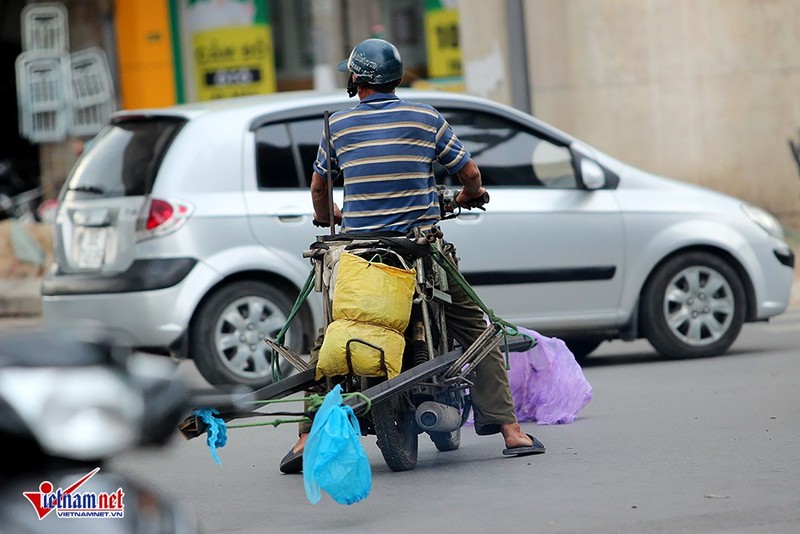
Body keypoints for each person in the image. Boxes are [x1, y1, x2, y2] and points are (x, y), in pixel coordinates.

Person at [279, 38, 545, 474]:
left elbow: (318, 190)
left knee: (332, 335)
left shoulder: (338, 126)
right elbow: (471, 172)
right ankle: (512, 432)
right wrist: (471, 195)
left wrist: (329, 215)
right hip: (418, 250)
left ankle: (305, 438)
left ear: (356, 79)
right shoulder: (425, 117)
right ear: (397, 78)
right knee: (478, 328)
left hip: (359, 254)